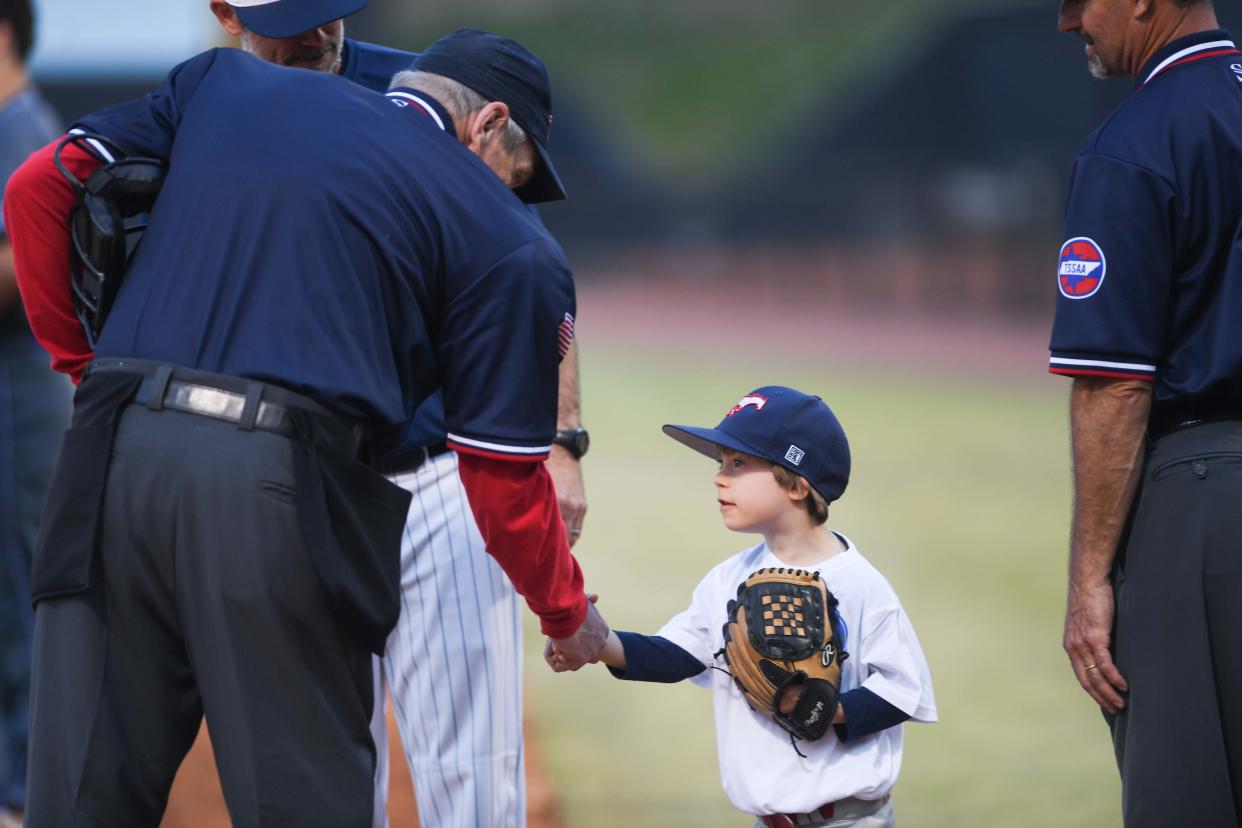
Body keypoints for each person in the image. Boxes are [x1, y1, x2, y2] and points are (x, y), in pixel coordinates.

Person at [3, 34, 607, 827]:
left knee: (83, 799)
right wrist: (565, 611)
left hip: (108, 454)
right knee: (307, 798)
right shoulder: (500, 229)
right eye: (521, 171)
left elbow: (38, 186)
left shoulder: (230, 83)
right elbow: (500, 484)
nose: (515, 192)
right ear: (489, 125)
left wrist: (81, 364)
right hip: (272, 480)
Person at [206, 5, 590, 824]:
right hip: (285, 481)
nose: (317, 34)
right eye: (292, 17)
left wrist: (560, 443)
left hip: (438, 475)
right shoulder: (206, 108)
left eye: (332, 14)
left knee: (473, 781)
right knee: (327, 781)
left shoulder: (424, 91)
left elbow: (527, 277)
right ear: (225, 14)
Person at [552, 387, 936, 828]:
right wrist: (602, 642)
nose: (719, 477)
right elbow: (682, 654)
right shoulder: (727, 579)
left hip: (850, 820)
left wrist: (823, 708)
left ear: (796, 482)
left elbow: (904, 691)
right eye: (720, 463)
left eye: (738, 464)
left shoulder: (861, 584)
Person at [1051, 1, 1242, 824]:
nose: (1066, 23)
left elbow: (1114, 383)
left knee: (1188, 797)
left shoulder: (1137, 143)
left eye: (1078, 2)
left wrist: (1088, 579)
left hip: (1206, 495)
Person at [0, 3, 71, 825]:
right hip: (15, 392)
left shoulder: (26, 128)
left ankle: (25, 794)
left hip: (21, 394)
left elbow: (29, 267)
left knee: (23, 589)